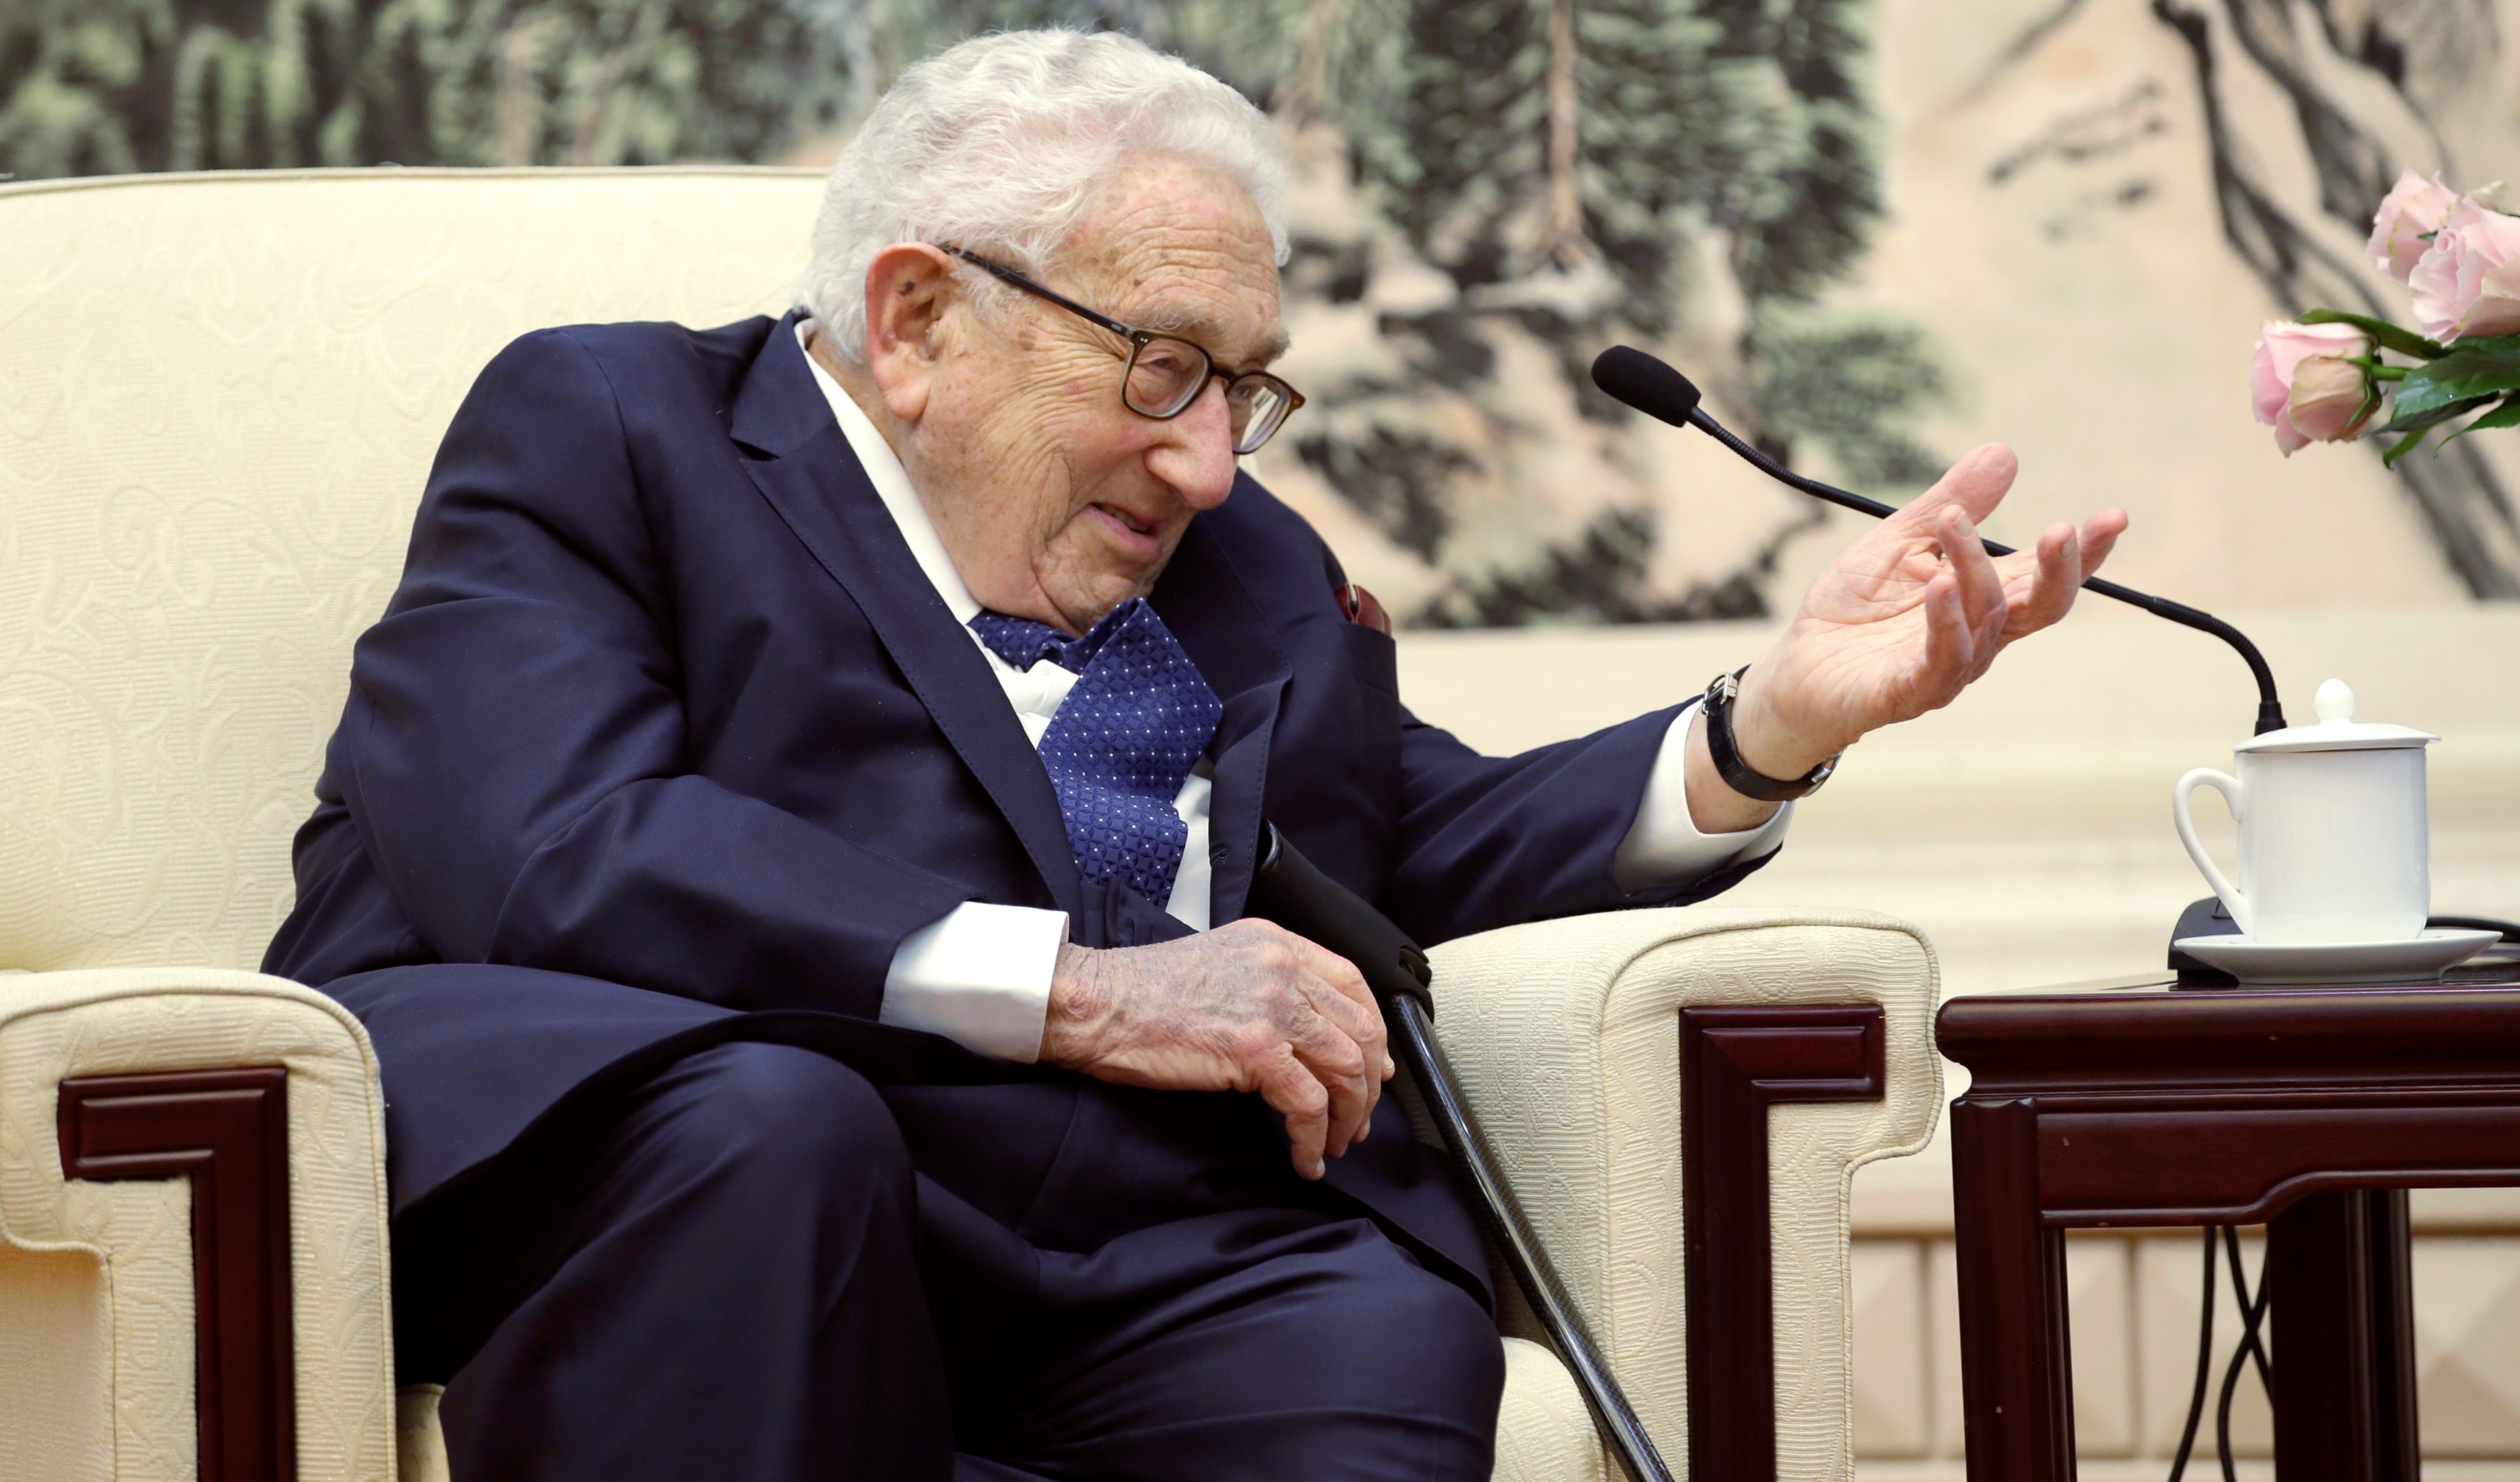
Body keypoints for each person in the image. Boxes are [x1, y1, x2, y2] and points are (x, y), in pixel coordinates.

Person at [264, 28, 2126, 1482]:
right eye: (1164, 369)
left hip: (1120, 1233)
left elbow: (1406, 841)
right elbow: (554, 843)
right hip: (673, 1156)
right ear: (917, 320)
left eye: (1246, 386)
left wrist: (1766, 724)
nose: (1212, 461)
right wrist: (1083, 991)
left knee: (1357, 1309)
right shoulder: (616, 428)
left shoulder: (1240, 564)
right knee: (775, 1130)